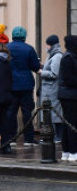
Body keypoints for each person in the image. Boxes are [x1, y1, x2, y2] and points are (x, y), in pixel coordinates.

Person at [7, 26, 41, 146]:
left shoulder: (7, 48)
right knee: (27, 112)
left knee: (11, 112)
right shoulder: (29, 49)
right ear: (24, 37)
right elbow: (35, 66)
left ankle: (11, 138)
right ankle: (29, 139)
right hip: (26, 84)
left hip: (11, 84)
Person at [40, 34, 63, 143]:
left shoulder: (57, 56)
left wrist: (41, 72)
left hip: (52, 90)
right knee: (50, 114)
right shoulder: (52, 55)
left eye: (48, 44)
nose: (46, 46)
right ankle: (54, 136)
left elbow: (54, 73)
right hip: (49, 90)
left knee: (55, 114)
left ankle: (57, 137)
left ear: (52, 45)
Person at [58, 35, 77, 163]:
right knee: (72, 124)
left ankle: (66, 151)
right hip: (70, 95)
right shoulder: (69, 58)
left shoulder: (69, 56)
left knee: (68, 124)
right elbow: (70, 79)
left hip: (68, 94)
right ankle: (73, 152)